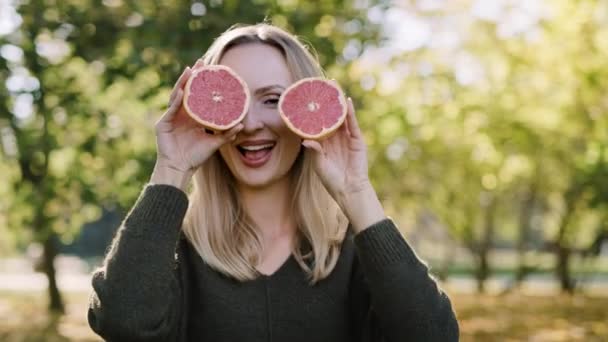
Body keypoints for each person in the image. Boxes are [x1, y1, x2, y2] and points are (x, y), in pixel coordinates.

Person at [87, 23, 459, 342]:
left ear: (305, 110)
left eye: (272, 100)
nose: (249, 124)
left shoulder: (356, 251)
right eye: (233, 100)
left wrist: (356, 191)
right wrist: (172, 168)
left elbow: (432, 334)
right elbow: (123, 322)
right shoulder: (173, 252)